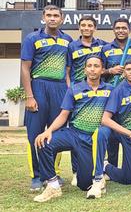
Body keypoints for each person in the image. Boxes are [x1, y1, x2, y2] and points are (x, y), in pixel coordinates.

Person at [32, 56, 114, 202]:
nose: (92, 69)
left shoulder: (111, 90)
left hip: (92, 140)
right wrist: (48, 130)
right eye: (89, 66)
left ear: (102, 70)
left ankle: (99, 175)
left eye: (96, 66)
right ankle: (53, 186)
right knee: (43, 142)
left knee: (84, 184)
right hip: (74, 133)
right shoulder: (74, 89)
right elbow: (64, 115)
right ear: (85, 69)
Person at [20, 5, 73, 191]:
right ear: (43, 17)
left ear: (62, 18)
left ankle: (52, 173)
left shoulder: (68, 40)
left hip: (60, 89)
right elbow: (25, 68)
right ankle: (36, 176)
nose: (52, 18)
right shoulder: (32, 38)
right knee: (34, 134)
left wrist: (69, 93)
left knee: (56, 133)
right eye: (49, 15)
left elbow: (68, 71)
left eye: (56, 15)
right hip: (39, 86)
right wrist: (29, 96)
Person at [97, 60, 131, 195]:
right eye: (128, 69)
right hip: (128, 133)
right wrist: (130, 134)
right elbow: (105, 119)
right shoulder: (118, 91)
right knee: (129, 179)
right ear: (124, 72)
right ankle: (105, 166)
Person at [101, 17, 131, 167]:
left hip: (130, 95)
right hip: (111, 95)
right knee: (112, 131)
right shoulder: (105, 48)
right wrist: (110, 70)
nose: (121, 30)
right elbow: (100, 71)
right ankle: (111, 164)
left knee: (129, 127)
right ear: (113, 30)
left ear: (129, 30)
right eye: (118, 28)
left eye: (124, 28)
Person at [67, 16, 107, 84]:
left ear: (95, 28)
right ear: (79, 28)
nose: (86, 28)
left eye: (90, 26)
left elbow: (117, 45)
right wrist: (69, 88)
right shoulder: (72, 46)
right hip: (78, 86)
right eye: (83, 25)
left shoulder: (102, 45)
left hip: (97, 87)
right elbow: (67, 70)